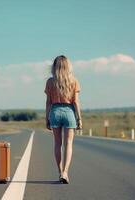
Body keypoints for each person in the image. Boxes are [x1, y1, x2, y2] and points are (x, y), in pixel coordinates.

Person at [44, 55, 82, 184]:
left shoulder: (50, 82)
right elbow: (76, 102)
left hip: (55, 111)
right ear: (68, 66)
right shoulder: (74, 81)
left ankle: (60, 172)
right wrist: (79, 118)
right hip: (69, 112)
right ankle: (65, 172)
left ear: (54, 66)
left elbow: (48, 102)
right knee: (68, 144)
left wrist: (47, 118)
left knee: (57, 144)